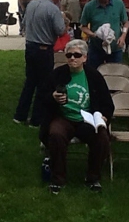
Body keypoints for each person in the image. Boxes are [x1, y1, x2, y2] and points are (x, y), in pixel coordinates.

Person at [40, 39, 114, 194]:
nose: (72, 58)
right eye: (69, 55)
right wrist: (53, 97)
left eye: (77, 55)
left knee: (101, 138)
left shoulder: (94, 76)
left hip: (87, 119)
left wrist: (104, 117)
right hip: (63, 116)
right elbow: (41, 98)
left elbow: (107, 103)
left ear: (85, 58)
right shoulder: (57, 74)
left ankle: (93, 178)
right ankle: (57, 179)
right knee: (56, 134)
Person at [13, 0, 65, 126]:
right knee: (44, 85)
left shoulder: (31, 5)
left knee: (30, 82)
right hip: (44, 49)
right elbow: (60, 30)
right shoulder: (53, 9)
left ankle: (20, 115)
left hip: (30, 47)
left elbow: (24, 23)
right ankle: (36, 120)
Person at [80, 0, 129, 68]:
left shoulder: (118, 3)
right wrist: (93, 34)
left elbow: (125, 22)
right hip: (96, 48)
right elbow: (83, 27)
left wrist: (123, 36)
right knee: (94, 74)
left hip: (115, 48)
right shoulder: (89, 7)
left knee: (115, 72)